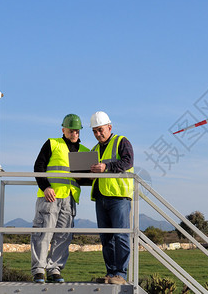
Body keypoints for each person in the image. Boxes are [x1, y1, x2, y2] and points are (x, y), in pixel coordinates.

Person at [31, 114, 89, 283]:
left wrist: (83, 179)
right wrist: (45, 186)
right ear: (63, 130)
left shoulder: (85, 151)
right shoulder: (52, 143)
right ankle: (39, 270)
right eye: (71, 131)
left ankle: (54, 269)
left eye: (77, 131)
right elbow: (38, 166)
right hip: (50, 196)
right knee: (44, 233)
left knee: (64, 235)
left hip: (70, 199)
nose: (74, 134)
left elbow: (88, 178)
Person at [89, 111, 134, 285]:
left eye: (100, 130)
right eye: (94, 131)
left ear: (109, 127)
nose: (98, 134)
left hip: (119, 196)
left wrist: (105, 167)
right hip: (101, 197)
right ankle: (111, 273)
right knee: (106, 238)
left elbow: (127, 162)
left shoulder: (122, 141)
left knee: (121, 236)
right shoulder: (94, 149)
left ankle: (121, 274)